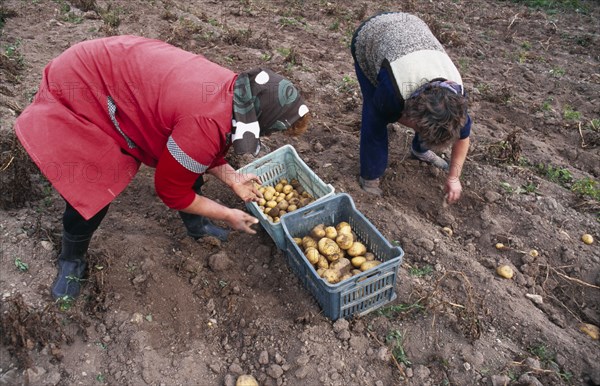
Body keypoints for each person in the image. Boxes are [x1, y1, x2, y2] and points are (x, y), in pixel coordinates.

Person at [14, 35, 310, 300]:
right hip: (84, 86)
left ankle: (196, 226)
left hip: (116, 68)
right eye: (274, 130)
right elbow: (171, 190)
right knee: (92, 184)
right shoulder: (205, 124)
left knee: (186, 163)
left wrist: (232, 178)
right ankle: (72, 259)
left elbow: (195, 151)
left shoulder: (235, 91)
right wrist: (227, 213)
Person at [351, 12, 472, 201]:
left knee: (430, 122)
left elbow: (463, 138)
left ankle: (420, 150)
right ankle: (370, 176)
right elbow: (379, 118)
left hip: (413, 31)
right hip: (372, 36)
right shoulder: (393, 91)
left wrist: (454, 177)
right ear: (411, 117)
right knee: (374, 116)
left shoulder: (457, 106)